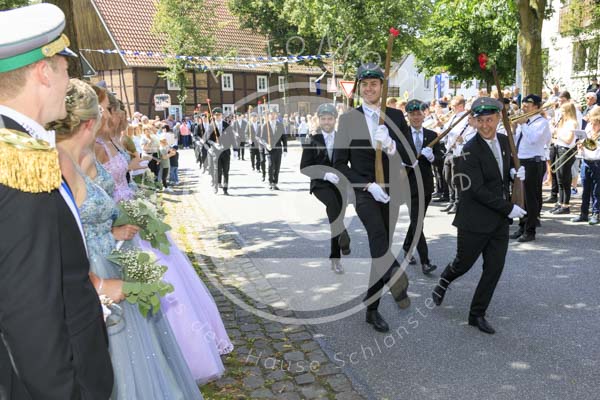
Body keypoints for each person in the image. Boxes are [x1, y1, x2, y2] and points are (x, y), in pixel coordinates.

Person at [50, 78, 204, 399]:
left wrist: (128, 221)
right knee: (115, 354)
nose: (107, 117)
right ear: (89, 121)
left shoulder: (83, 154)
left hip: (113, 256)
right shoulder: (59, 163)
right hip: (93, 267)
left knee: (140, 349)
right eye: (102, 112)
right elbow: (61, 231)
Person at [0, 4, 113, 398]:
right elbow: (29, 306)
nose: (69, 82)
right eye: (65, 69)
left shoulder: (19, 144)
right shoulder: (17, 158)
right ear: (44, 73)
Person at [432, 97, 526, 335]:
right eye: (481, 120)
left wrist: (513, 172)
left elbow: (502, 169)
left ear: (498, 119)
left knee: (494, 268)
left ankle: (477, 314)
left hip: (498, 221)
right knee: (462, 264)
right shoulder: (469, 150)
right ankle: (445, 280)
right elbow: (477, 189)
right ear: (474, 121)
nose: (485, 125)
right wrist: (508, 208)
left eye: (490, 120)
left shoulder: (505, 141)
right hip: (475, 219)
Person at [334, 63, 413, 333]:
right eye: (365, 85)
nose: (369, 89)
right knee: (378, 236)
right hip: (365, 192)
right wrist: (366, 185)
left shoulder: (396, 116)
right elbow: (339, 163)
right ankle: (396, 275)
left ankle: (372, 308)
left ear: (382, 87)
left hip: (391, 190)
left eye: (374, 84)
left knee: (381, 249)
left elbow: (409, 156)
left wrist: (391, 144)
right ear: (359, 88)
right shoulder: (348, 119)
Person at [300, 103, 351, 274]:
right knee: (334, 206)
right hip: (320, 184)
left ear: (335, 120)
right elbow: (304, 167)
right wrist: (324, 175)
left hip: (340, 185)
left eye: (330, 119)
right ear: (319, 120)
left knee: (336, 218)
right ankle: (343, 236)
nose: (326, 122)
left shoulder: (343, 139)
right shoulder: (312, 139)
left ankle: (335, 258)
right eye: (323, 119)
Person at [402, 100, 443, 274]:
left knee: (417, 220)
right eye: (412, 114)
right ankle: (425, 261)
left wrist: (432, 157)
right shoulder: (401, 134)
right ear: (408, 116)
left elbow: (440, 159)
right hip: (407, 184)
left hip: (425, 185)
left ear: (424, 115)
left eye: (418, 114)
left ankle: (406, 246)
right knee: (417, 223)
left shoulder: (432, 135)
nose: (416, 117)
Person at [510, 94, 552, 242]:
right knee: (521, 197)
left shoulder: (542, 122)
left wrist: (522, 125)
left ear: (536, 106)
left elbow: (533, 140)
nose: (524, 106)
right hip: (521, 160)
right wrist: (514, 129)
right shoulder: (526, 122)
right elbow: (517, 142)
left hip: (533, 162)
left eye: (528, 104)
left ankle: (530, 230)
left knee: (530, 198)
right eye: (523, 103)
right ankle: (522, 226)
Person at [572, 107, 600, 224]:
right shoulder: (588, 126)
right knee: (585, 190)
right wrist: (580, 145)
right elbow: (585, 142)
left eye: (595, 124)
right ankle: (583, 214)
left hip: (597, 162)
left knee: (596, 191)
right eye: (592, 122)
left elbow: (594, 147)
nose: (592, 126)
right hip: (586, 160)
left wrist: (590, 142)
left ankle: (596, 213)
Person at [550, 102, 578, 214]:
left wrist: (557, 133)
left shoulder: (572, 123)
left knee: (565, 179)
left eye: (562, 111)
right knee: (559, 179)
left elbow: (569, 140)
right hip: (559, 148)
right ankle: (560, 203)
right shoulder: (564, 122)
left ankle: (565, 205)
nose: (560, 113)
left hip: (566, 150)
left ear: (568, 111)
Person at [206, 107, 235, 195]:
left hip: (226, 151)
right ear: (214, 116)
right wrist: (214, 144)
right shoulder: (211, 126)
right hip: (216, 152)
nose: (218, 116)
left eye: (219, 115)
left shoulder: (227, 125)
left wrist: (235, 149)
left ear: (222, 115)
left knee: (226, 171)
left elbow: (232, 138)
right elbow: (208, 139)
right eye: (216, 115)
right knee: (217, 170)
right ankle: (216, 186)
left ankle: (225, 189)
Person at [261, 110, 288, 190]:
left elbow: (284, 138)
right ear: (268, 115)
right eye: (271, 114)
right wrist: (266, 145)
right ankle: (270, 182)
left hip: (278, 149)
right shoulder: (265, 125)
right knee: (270, 165)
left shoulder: (280, 125)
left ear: (276, 115)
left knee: (277, 167)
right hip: (269, 149)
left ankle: (275, 182)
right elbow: (262, 139)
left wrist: (285, 149)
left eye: (274, 114)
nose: (272, 116)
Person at [248, 112, 266, 180]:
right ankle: (253, 166)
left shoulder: (259, 124)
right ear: (251, 118)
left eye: (255, 117)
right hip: (252, 143)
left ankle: (258, 167)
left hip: (258, 143)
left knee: (258, 156)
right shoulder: (249, 125)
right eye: (253, 117)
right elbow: (246, 133)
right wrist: (248, 139)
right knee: (252, 155)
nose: (254, 118)